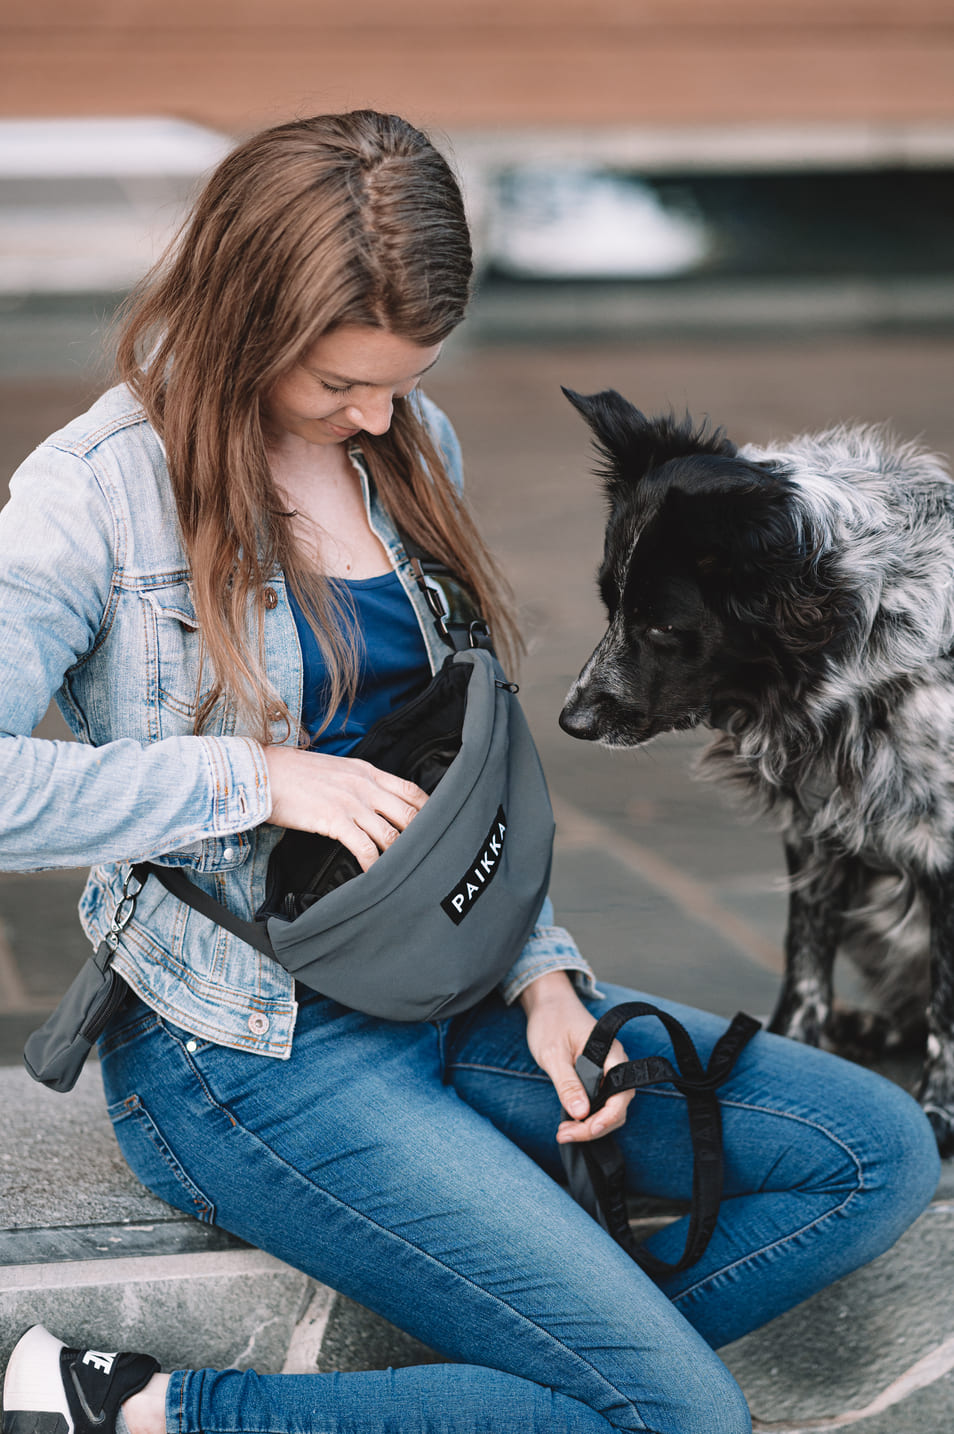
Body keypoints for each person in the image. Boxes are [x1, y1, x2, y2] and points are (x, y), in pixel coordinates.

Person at [0, 111, 940, 1434]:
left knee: (872, 1155)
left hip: (457, 982)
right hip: (245, 1056)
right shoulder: (94, 495)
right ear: (240, 316)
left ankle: (511, 1380)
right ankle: (151, 1411)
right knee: (675, 1416)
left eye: (402, 378)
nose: (375, 414)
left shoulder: (407, 445)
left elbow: (458, 762)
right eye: (336, 384)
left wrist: (543, 972)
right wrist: (254, 776)